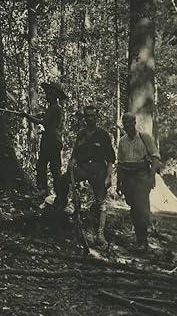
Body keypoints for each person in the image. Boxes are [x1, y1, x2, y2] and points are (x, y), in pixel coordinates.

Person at [59, 105, 115, 245]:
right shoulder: (81, 134)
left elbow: (110, 159)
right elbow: (75, 155)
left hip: (98, 170)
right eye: (87, 116)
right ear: (84, 117)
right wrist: (70, 164)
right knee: (63, 180)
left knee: (100, 201)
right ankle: (64, 209)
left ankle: (100, 234)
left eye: (92, 116)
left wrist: (109, 177)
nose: (89, 118)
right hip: (83, 168)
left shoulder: (103, 135)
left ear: (97, 117)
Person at [117, 112, 160, 252]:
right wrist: (119, 183)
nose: (127, 126)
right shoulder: (122, 141)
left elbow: (155, 157)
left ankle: (143, 241)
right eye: (125, 123)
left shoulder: (144, 137)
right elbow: (120, 163)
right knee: (134, 209)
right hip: (128, 178)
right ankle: (139, 240)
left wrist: (151, 177)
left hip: (141, 176)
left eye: (130, 123)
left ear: (134, 123)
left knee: (141, 209)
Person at [20, 82, 67, 198]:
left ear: (56, 95)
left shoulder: (56, 108)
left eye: (50, 94)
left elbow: (43, 122)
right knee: (44, 165)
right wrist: (36, 115)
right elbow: (44, 118)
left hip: (52, 140)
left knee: (52, 168)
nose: (47, 96)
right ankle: (45, 190)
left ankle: (56, 193)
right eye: (47, 94)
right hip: (49, 139)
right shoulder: (52, 108)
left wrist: (26, 116)